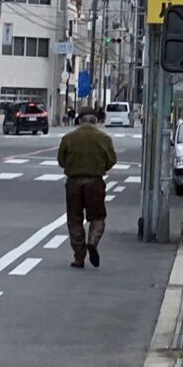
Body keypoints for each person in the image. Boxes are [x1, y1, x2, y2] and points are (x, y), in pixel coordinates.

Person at [57, 106, 118, 268]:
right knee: (97, 217)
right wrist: (101, 166)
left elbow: (61, 160)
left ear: (79, 120)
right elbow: (112, 160)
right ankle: (92, 241)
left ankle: (79, 256)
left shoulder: (69, 138)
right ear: (96, 121)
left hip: (73, 182)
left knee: (74, 218)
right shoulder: (104, 138)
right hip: (95, 181)